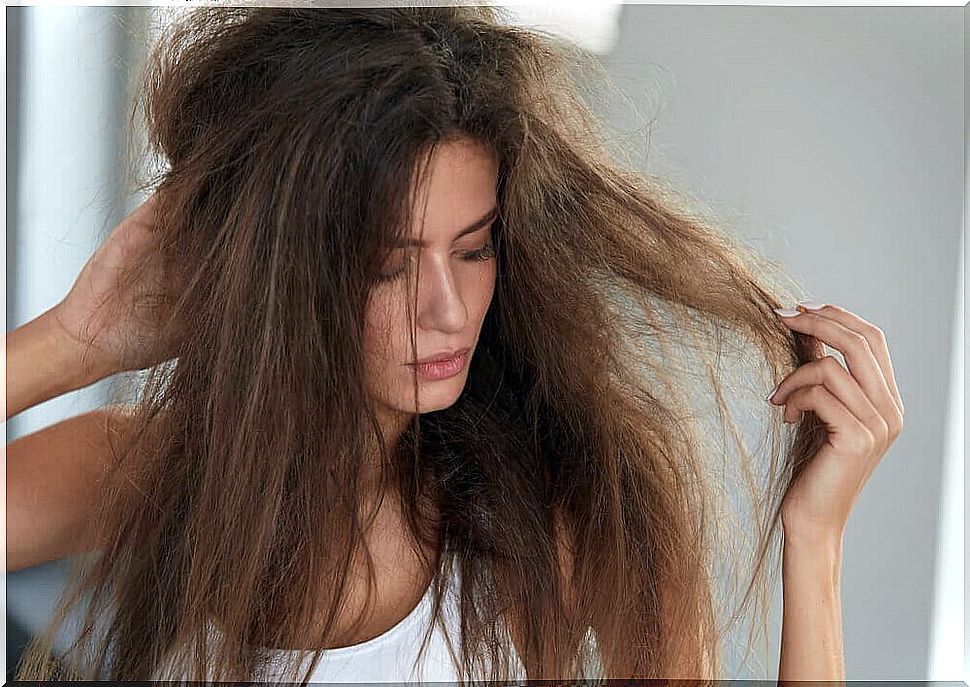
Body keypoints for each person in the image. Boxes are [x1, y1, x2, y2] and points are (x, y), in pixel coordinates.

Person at [7, 6, 904, 684]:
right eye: (387, 266)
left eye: (473, 249)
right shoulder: (154, 470)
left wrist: (814, 541)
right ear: (284, 275)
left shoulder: (566, 515)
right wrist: (73, 341)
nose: (447, 309)